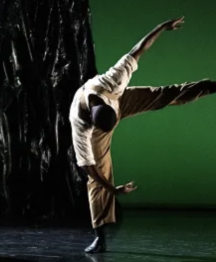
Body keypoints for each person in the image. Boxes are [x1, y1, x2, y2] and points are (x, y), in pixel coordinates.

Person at [69, 16, 216, 253]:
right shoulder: (80, 122)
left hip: (119, 100)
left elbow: (138, 49)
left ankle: (210, 86)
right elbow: (87, 165)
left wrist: (162, 27)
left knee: (163, 94)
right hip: (97, 124)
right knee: (97, 180)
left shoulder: (114, 81)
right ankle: (100, 236)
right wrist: (112, 188)